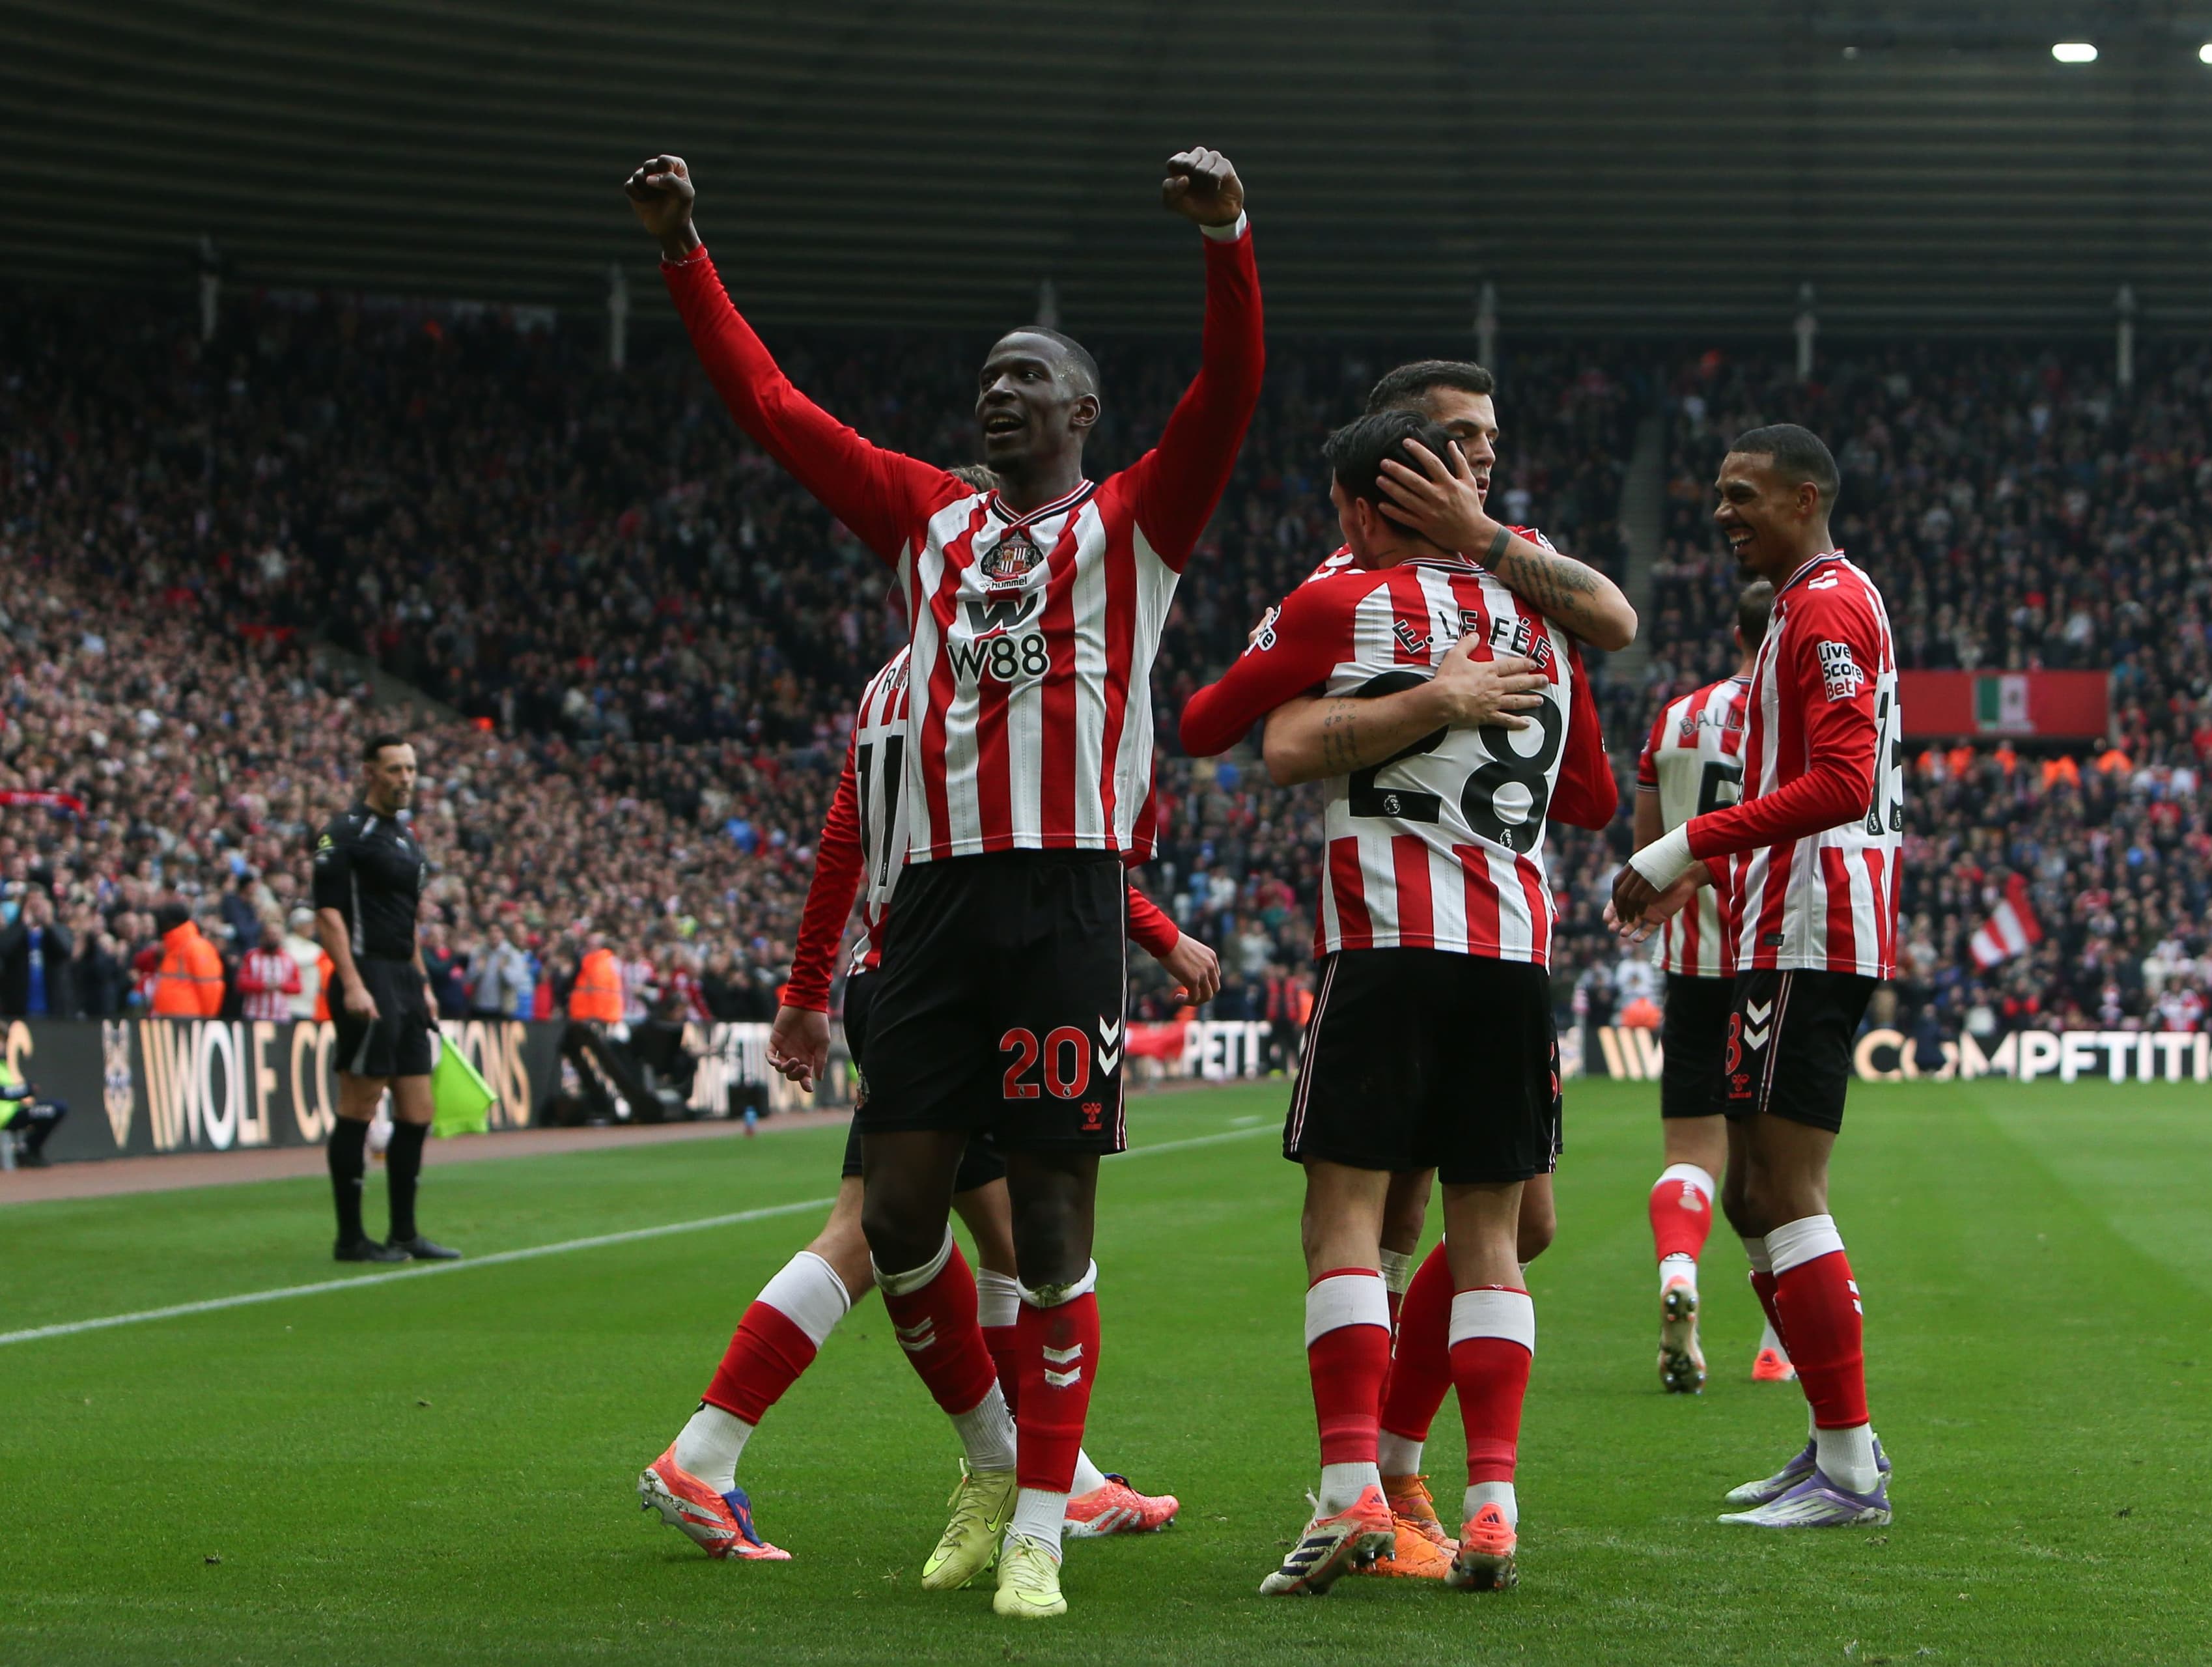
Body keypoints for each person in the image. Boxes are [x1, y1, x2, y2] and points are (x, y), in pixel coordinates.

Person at [628, 141, 1261, 1620]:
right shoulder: (928, 520)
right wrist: (682, 253)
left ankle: (1039, 1513)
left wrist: (1227, 240)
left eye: (1026, 376)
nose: (996, 389)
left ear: (1082, 413)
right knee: (902, 1218)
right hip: (932, 919)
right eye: (986, 372)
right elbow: (776, 413)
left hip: (1059, 903)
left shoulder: (1135, 528)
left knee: (1045, 1227)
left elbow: (1222, 399)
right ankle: (999, 1461)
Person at [639, 646, 1221, 1561]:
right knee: (1006, 1238)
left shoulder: (884, 684)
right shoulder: (989, 672)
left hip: (895, 982)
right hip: (957, 986)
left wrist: (808, 987)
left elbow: (846, 834)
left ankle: (717, 1455)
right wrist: (1158, 934)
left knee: (902, 1230)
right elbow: (1038, 843)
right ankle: (1035, 1476)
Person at [1177, 408, 1621, 1595]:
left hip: (1386, 946)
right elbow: (1592, 794)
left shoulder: (1339, 603)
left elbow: (1212, 725)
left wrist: (1383, 707)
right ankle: (1492, 1510)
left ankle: (1348, 1492)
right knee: (1494, 1239)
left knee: (1347, 1226)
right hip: (1515, 959)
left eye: (1342, 513)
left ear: (1370, 510)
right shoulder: (1551, 621)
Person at [1609, 423, 1904, 1530]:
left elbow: (1841, 779)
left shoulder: (1825, 603)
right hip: (1782, 924)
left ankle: (1851, 1471)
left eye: (1745, 495)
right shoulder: (1802, 600)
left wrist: (1690, 844)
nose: (1724, 512)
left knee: (1783, 1189)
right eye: (1719, 495)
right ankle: (1840, 1444)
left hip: (1810, 922)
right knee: (1746, 1189)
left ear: (1807, 495)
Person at [1629, 578, 1784, 1394]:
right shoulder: (1801, 710)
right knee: (1783, 1166)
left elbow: (1649, 850)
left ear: (1733, 632)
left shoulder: (1678, 717)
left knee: (1691, 1151)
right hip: (1776, 958)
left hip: (1693, 964)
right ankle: (1775, 1342)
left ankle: (1678, 1270)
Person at [311, 736, 460, 1264]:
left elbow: (409, 923)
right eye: (395, 769)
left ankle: (404, 1232)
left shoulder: (407, 838)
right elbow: (328, 915)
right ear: (370, 772)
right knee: (360, 1102)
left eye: (412, 769)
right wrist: (351, 983)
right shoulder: (346, 833)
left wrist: (423, 986)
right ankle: (350, 1238)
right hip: (365, 971)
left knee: (417, 1109)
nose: (405, 778)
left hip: (402, 978)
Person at [0, 889, 74, 1018]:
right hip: (19, 1007)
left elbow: (65, 950)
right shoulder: (14, 931)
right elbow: (4, 949)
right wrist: (24, 924)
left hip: (53, 1005)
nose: (36, 906)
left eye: (39, 901)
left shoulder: (60, 930)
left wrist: (49, 924)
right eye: (31, 902)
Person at [148, 903, 226, 1018]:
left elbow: (211, 987)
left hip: (187, 1020)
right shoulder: (173, 946)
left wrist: (206, 1019)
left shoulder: (196, 947)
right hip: (167, 1017)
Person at [0, 1056, 68, 1166]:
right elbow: (4, 1093)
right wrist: (27, 1089)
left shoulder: (3, 1065)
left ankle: (27, 1150)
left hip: (13, 1112)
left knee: (57, 1108)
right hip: (6, 1118)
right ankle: (26, 1151)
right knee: (56, 1109)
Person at [237, 918, 303, 1023]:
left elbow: (298, 987)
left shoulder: (288, 959)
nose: (272, 938)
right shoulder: (252, 957)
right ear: (263, 936)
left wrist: (281, 986)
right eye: (269, 934)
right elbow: (241, 983)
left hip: (281, 1017)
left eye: (276, 935)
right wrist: (264, 986)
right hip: (254, 1015)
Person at [281, 906, 326, 1020]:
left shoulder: (315, 947)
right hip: (290, 1005)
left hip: (310, 1004)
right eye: (308, 924)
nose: (312, 928)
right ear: (297, 925)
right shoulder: (287, 943)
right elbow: (292, 961)